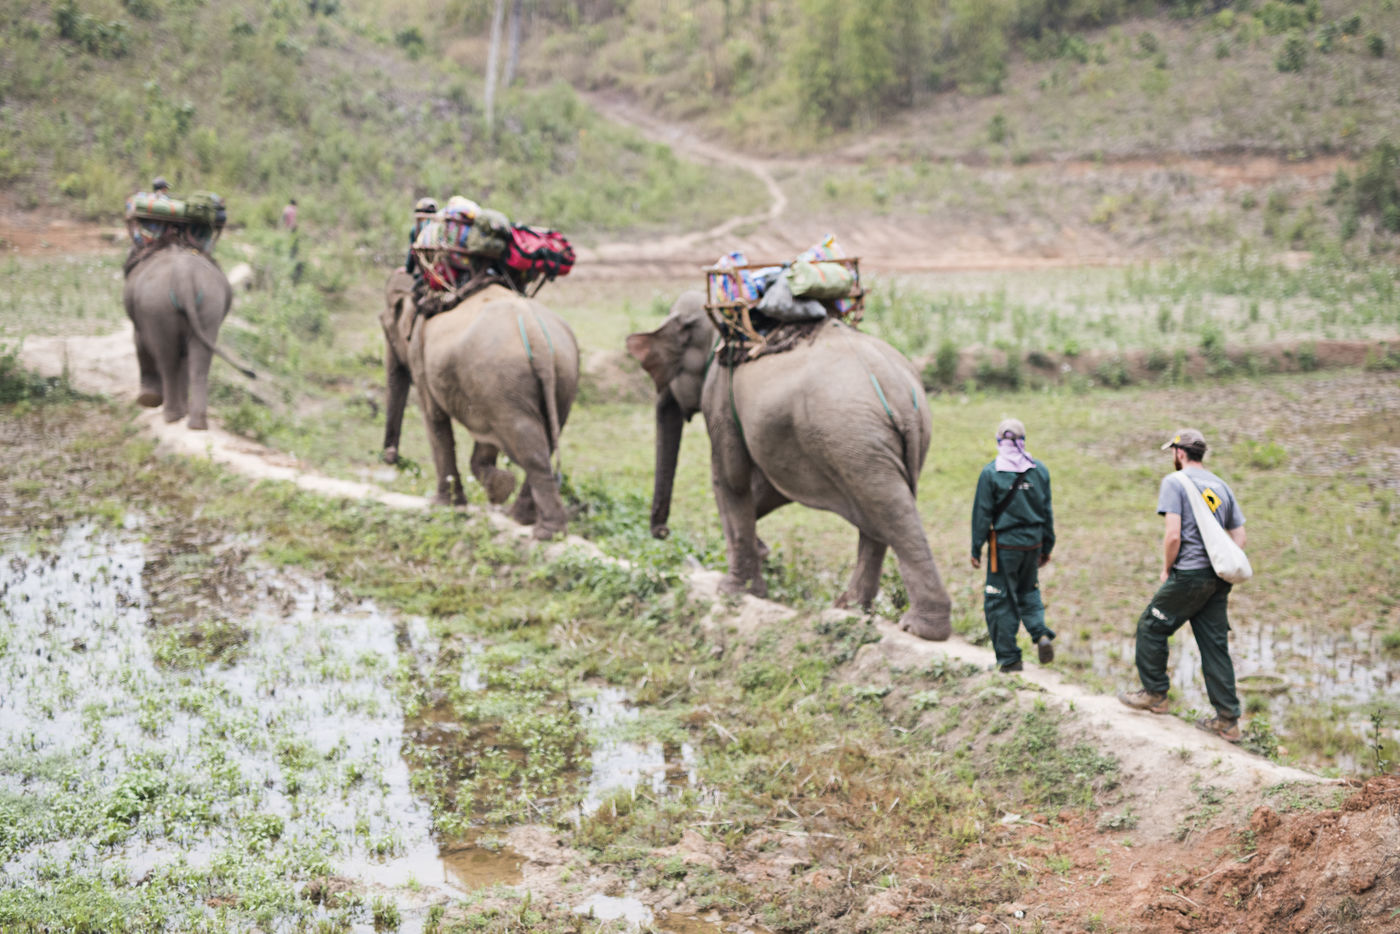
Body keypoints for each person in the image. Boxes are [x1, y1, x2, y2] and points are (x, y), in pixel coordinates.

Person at [1119, 429, 1247, 743]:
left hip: (1189, 575)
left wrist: (1167, 568)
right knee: (1214, 645)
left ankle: (1155, 694)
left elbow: (1173, 535)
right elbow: (1239, 536)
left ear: (1179, 452)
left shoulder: (1174, 482)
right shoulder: (1220, 486)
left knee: (1151, 626)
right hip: (1218, 578)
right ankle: (1228, 720)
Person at [970, 418, 1056, 672]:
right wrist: (1047, 547)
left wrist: (976, 549)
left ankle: (1009, 659)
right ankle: (1040, 633)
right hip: (1033, 544)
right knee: (1029, 590)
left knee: (999, 599)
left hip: (1004, 548)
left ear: (999, 441)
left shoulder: (991, 473)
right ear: (1023, 441)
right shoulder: (1039, 470)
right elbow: (1047, 512)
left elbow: (982, 515)